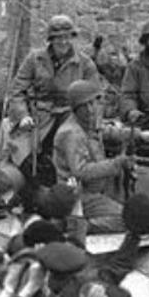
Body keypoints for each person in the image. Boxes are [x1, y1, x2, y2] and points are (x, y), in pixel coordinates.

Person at [3, 15, 99, 173]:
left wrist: (91, 121)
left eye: (67, 37)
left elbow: (96, 96)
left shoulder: (85, 63)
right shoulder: (35, 59)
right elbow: (17, 90)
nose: (63, 42)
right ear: (51, 39)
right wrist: (22, 115)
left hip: (71, 115)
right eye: (58, 38)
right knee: (22, 155)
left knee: (79, 151)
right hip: (39, 116)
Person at [53, 81, 133, 232]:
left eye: (92, 103)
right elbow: (80, 171)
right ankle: (80, 226)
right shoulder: (71, 133)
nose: (90, 110)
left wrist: (137, 134)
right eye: (84, 106)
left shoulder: (86, 123)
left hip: (96, 190)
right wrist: (116, 164)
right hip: (79, 194)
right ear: (75, 109)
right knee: (126, 219)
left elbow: (105, 131)